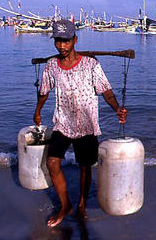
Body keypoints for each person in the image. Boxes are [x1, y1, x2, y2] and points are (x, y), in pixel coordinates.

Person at [33, 19, 128, 227]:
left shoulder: (91, 65)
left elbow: (106, 91)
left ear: (74, 40)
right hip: (63, 123)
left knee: (85, 167)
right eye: (58, 41)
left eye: (66, 41)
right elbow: (44, 91)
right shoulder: (51, 66)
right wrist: (38, 111)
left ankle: (82, 204)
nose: (61, 46)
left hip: (86, 124)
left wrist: (117, 109)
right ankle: (65, 205)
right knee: (52, 162)